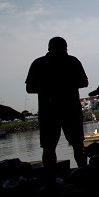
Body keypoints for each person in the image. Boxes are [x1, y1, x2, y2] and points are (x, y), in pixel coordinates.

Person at [25, 36, 88, 187]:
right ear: (65, 48)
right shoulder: (72, 61)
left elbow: (29, 88)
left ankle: (51, 180)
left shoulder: (38, 63)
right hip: (71, 109)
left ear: (49, 48)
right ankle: (85, 175)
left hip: (48, 111)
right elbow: (84, 82)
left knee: (48, 147)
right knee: (78, 144)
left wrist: (46, 87)